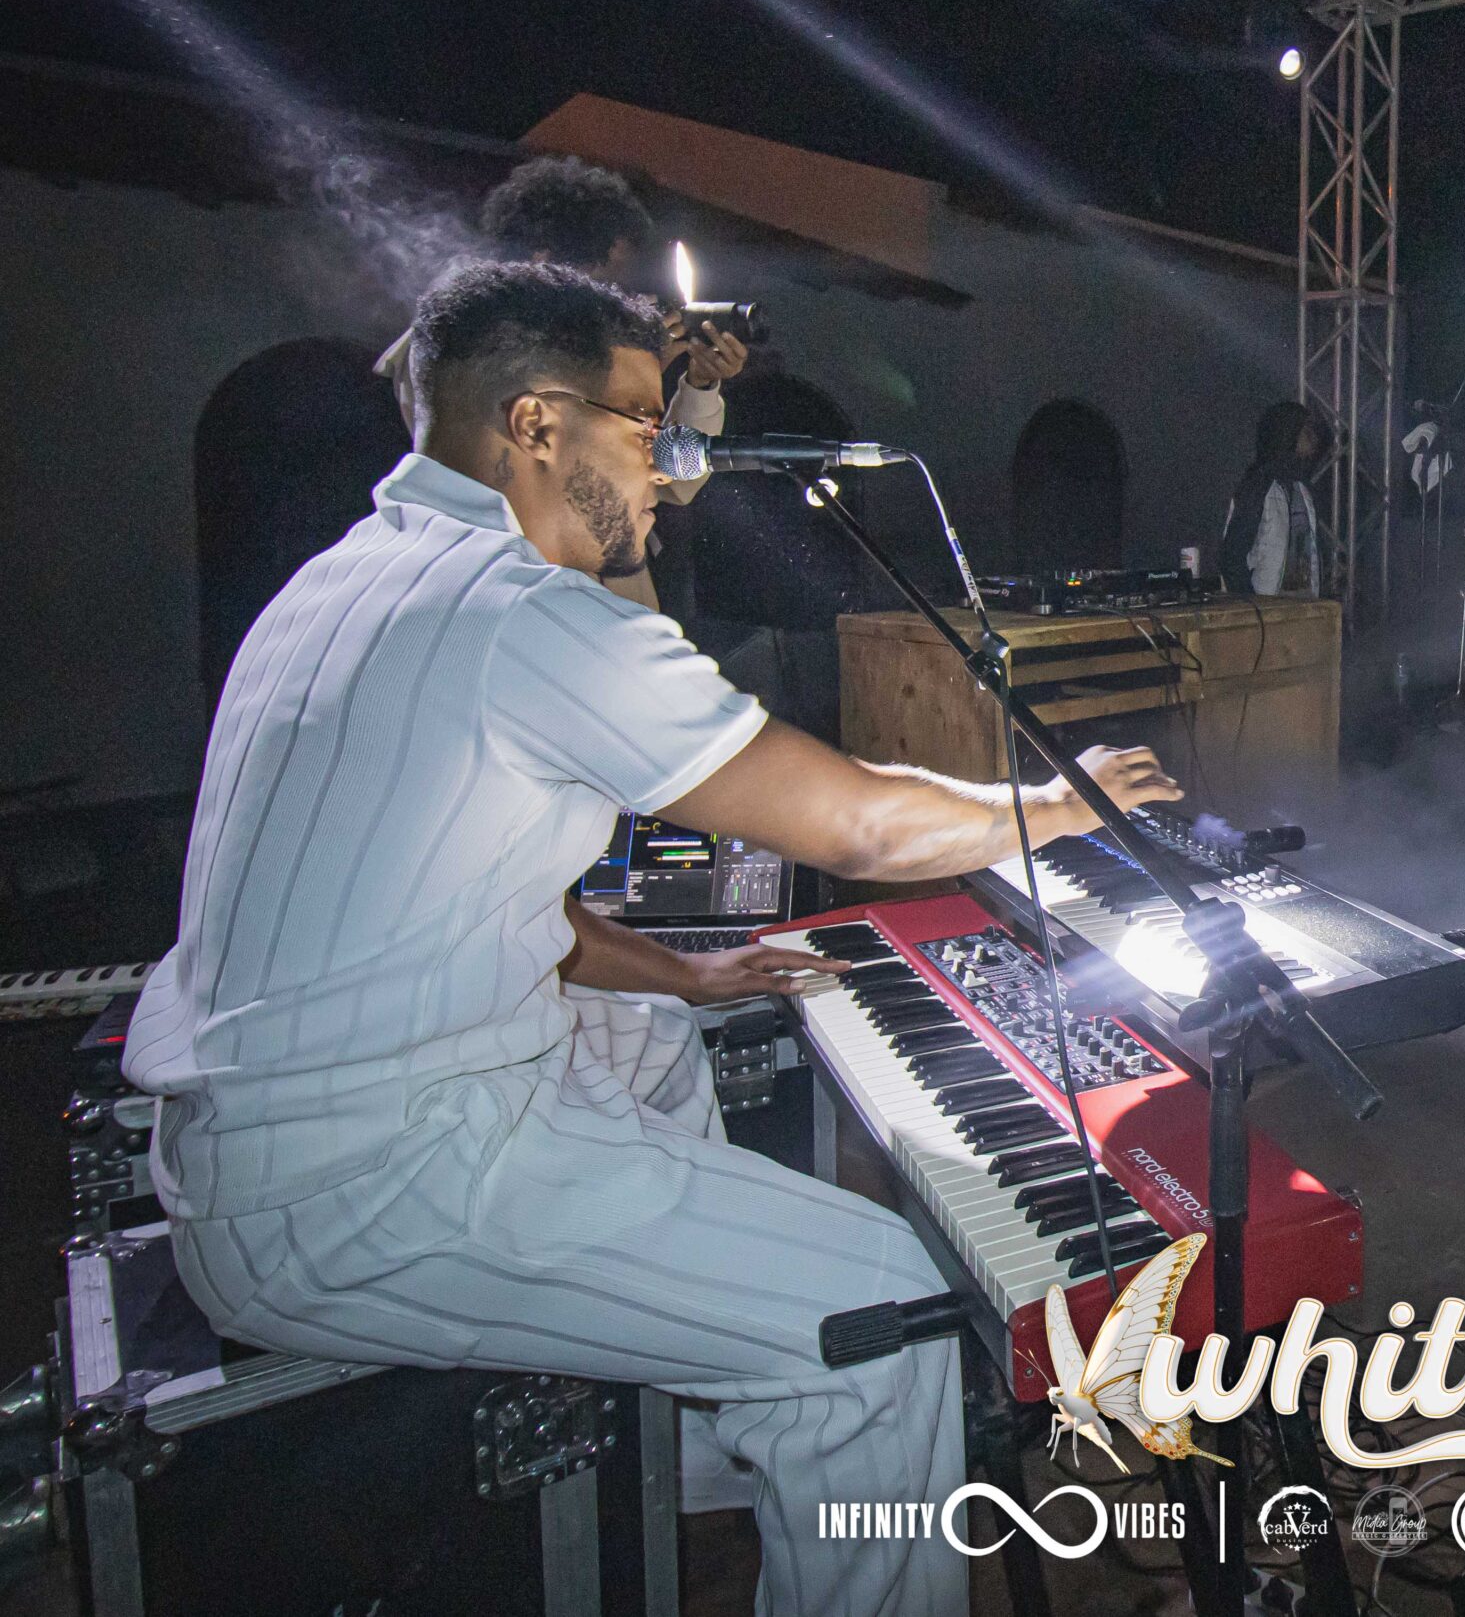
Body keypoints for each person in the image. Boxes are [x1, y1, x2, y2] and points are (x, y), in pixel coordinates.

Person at [125, 260, 1181, 1617]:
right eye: (641, 425)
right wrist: (1050, 800)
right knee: (881, 1309)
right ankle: (810, 1394)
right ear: (534, 424)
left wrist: (686, 974)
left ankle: (698, 1440)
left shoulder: (353, 575)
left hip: (268, 1148)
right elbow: (853, 822)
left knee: (653, 1033)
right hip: (360, 1186)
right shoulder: (518, 614)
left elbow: (505, 899)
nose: (672, 469)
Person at [375, 154, 747, 611]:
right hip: (524, 594)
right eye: (605, 282)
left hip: (599, 593)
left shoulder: (577, 356)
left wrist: (694, 385)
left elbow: (671, 480)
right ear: (544, 261)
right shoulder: (456, 351)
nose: (617, 300)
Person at [1219, 400, 1326, 596]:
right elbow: (1233, 556)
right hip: (1266, 604)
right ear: (1289, 434)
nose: (1313, 438)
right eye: (1306, 431)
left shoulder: (1302, 487)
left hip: (1304, 604)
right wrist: (1253, 605)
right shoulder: (1259, 487)